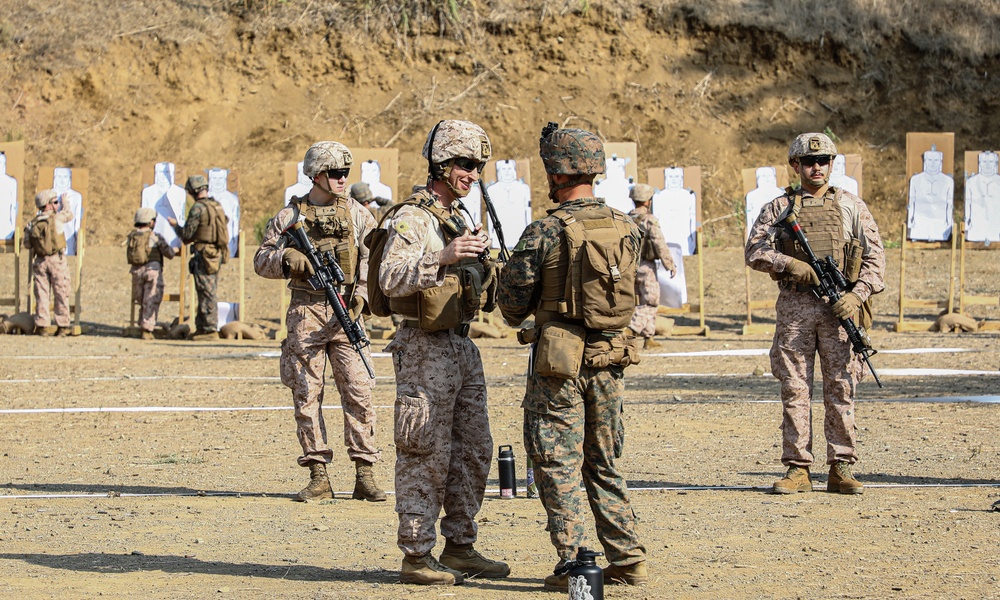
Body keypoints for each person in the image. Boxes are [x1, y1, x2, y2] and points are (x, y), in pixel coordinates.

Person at [497, 125, 648, 591]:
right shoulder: (627, 226)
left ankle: (575, 561)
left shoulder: (544, 229)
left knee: (554, 460)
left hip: (559, 365)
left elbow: (512, 306)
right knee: (603, 459)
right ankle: (627, 556)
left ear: (555, 171)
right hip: (610, 356)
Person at [377, 119, 508, 585]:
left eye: (477, 167)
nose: (473, 174)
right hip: (422, 348)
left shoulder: (456, 218)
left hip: (460, 345)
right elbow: (389, 278)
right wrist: (444, 256)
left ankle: (460, 546)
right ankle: (416, 555)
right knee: (423, 450)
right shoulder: (414, 218)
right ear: (441, 165)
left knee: (473, 449)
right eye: (464, 165)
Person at [745, 132, 885, 495]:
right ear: (795, 165)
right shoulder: (778, 208)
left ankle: (841, 467)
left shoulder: (852, 206)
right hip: (796, 308)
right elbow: (755, 251)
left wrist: (857, 296)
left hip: (840, 310)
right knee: (795, 388)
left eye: (824, 161)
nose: (817, 167)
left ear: (832, 164)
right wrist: (790, 263)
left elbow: (875, 261)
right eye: (809, 161)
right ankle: (797, 468)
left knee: (841, 387)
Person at [254, 141, 385, 504]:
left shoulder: (359, 214)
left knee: (359, 391)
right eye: (336, 173)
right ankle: (318, 474)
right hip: (306, 310)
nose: (343, 179)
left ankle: (365, 473)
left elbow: (372, 258)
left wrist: (361, 294)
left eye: (346, 173)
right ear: (316, 175)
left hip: (346, 310)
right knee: (307, 394)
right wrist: (287, 257)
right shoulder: (289, 216)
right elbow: (260, 259)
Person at [167, 175, 228, 340]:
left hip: (204, 254)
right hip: (215, 254)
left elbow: (187, 235)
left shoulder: (198, 208)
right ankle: (202, 327)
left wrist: (174, 226)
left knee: (206, 291)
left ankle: (209, 329)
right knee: (207, 290)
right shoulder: (216, 205)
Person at [627, 183, 676, 350]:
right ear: (648, 201)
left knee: (639, 300)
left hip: (628, 267)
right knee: (650, 301)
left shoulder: (626, 219)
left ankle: (649, 337)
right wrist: (669, 264)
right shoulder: (649, 220)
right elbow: (659, 243)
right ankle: (631, 329)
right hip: (646, 266)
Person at [24, 189, 74, 336]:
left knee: (42, 294)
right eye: (55, 202)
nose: (57, 205)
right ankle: (62, 326)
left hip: (40, 261)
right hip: (56, 261)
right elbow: (69, 214)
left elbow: (27, 244)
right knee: (61, 292)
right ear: (49, 205)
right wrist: (66, 203)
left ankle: (42, 326)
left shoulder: (31, 224)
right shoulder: (57, 218)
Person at [127, 207, 175, 340]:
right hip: (152, 270)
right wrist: (175, 249)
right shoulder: (155, 237)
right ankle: (147, 329)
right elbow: (169, 253)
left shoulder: (132, 236)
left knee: (141, 298)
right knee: (151, 298)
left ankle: (141, 323)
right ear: (150, 222)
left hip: (136, 270)